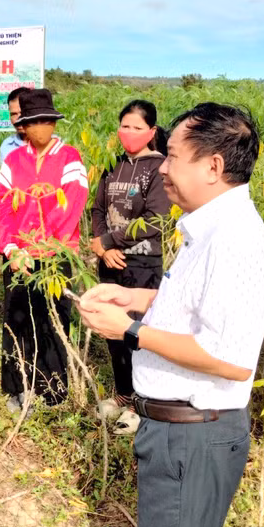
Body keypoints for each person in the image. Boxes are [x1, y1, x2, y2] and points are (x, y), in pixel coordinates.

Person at [76, 103, 264, 527]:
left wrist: (131, 332)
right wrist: (136, 299)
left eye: (172, 157)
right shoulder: (207, 230)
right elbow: (199, 307)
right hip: (180, 434)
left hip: (193, 437)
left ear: (213, 167)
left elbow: (230, 359)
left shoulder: (234, 239)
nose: (163, 168)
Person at [0, 88, 88, 412]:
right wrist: (11, 248)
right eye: (34, 122)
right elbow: (0, 208)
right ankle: (17, 387)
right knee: (17, 319)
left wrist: (42, 247)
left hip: (54, 256)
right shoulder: (13, 160)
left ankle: (52, 390)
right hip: (17, 257)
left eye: (47, 121)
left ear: (54, 123)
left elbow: (71, 206)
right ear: (25, 126)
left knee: (53, 320)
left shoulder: (69, 158)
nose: (41, 127)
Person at [89, 99, 171, 434]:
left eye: (138, 127)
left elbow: (155, 218)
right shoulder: (113, 164)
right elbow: (97, 209)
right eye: (125, 126)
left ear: (152, 131)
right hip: (110, 260)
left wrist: (108, 241)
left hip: (142, 262)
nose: (130, 132)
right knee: (113, 333)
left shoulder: (159, 167)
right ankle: (123, 392)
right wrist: (102, 245)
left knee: (138, 332)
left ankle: (141, 402)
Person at [0, 86, 30, 163]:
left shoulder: (51, 144)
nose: (18, 119)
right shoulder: (6, 146)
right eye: (13, 114)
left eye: (22, 113)